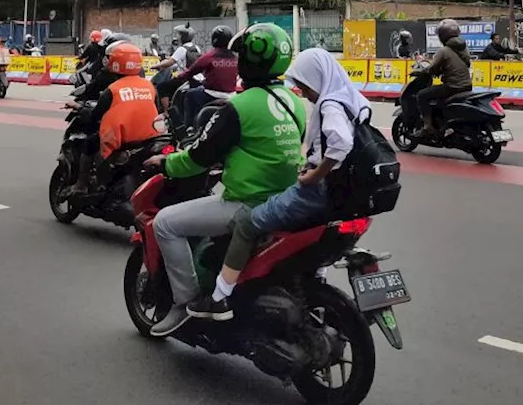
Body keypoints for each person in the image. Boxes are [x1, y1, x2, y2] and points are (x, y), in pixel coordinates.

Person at [141, 23, 304, 337]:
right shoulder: (293, 102)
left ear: (249, 61)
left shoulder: (238, 107)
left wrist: (165, 163)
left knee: (164, 223)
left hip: (246, 201)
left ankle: (185, 302)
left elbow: (197, 159)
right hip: (284, 201)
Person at [188, 48, 363, 321]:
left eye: (305, 86)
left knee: (247, 223)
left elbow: (340, 142)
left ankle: (219, 298)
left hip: (317, 190)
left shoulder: (329, 104)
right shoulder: (353, 100)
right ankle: (316, 280)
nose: (303, 93)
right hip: (344, 194)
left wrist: (316, 174)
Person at [61, 41, 161, 198]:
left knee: (89, 144)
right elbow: (158, 110)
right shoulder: (149, 86)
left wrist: (79, 108)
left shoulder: (112, 90)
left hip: (122, 138)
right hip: (148, 138)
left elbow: (95, 116)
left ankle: (81, 185)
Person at [162, 24, 238, 127]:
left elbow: (191, 71)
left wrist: (177, 78)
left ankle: (189, 127)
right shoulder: (235, 58)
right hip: (232, 95)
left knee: (189, 95)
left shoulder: (210, 56)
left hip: (212, 94)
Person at [417, 20, 472, 138]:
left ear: (442, 36)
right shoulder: (464, 49)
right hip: (467, 86)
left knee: (422, 95)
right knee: (440, 102)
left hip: (452, 87)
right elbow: (465, 65)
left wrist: (422, 72)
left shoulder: (443, 51)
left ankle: (427, 127)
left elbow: (432, 68)